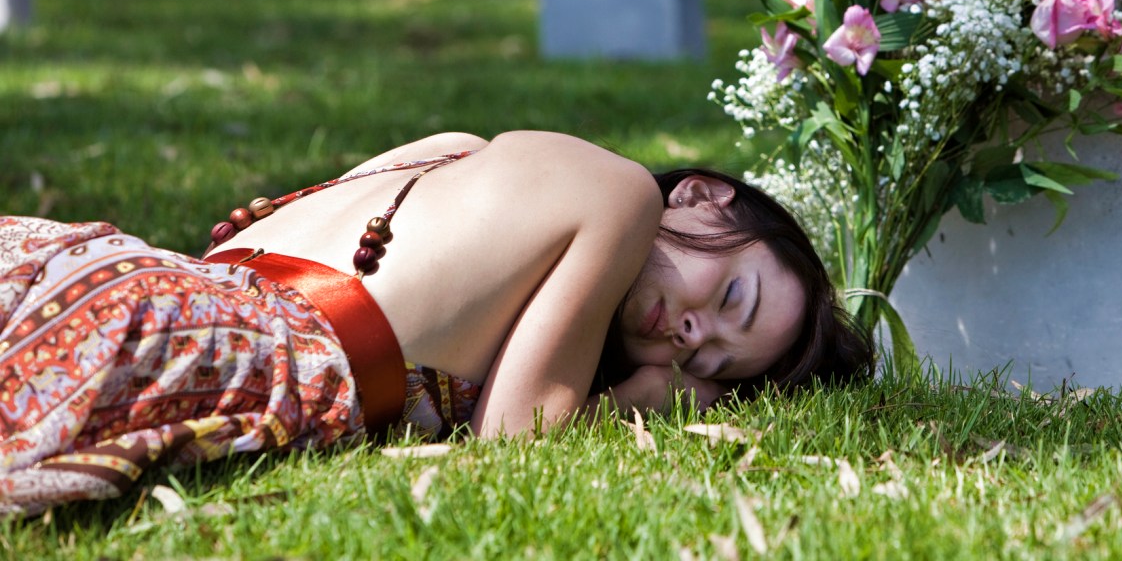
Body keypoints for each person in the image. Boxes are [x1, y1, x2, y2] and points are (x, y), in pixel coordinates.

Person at [0, 131, 871, 517]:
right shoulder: (622, 194)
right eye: (732, 298)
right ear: (706, 196)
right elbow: (520, 442)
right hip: (185, 336)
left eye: (715, 362)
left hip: (97, 270)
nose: (691, 338)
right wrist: (653, 399)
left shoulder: (460, 147)